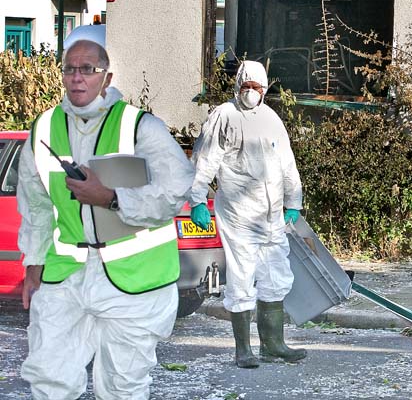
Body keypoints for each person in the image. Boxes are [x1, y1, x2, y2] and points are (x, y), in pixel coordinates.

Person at [16, 25, 195, 399]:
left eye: (88, 69)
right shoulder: (45, 128)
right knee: (48, 377)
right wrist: (33, 265)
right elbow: (35, 202)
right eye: (70, 68)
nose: (77, 77)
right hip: (66, 276)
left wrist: (112, 198)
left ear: (107, 76)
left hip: (136, 282)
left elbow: (176, 188)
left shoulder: (140, 126)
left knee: (121, 386)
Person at [189, 60, 305, 368]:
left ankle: (274, 345)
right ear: (238, 86)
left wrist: (294, 201)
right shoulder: (224, 116)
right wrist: (197, 200)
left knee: (276, 276)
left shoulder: (271, 118)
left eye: (258, 88)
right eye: (247, 87)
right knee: (242, 278)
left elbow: (287, 163)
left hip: (271, 216)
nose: (252, 93)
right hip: (239, 214)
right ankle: (243, 349)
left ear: (266, 89)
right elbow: (205, 160)